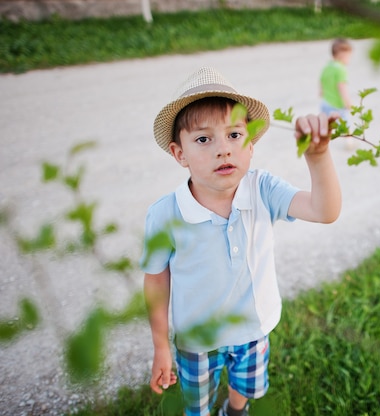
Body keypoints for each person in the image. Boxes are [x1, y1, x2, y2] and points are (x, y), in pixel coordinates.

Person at [140, 66, 341, 416]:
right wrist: (160, 346)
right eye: (204, 139)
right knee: (196, 401)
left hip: (253, 328)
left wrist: (318, 156)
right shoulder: (166, 214)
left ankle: (235, 411)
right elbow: (156, 279)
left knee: (244, 386)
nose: (224, 150)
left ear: (251, 144)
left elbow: (325, 211)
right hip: (196, 339)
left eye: (235, 135)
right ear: (179, 154)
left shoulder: (263, 189)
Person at [319, 38, 353, 121]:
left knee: (327, 129)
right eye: (349, 56)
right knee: (344, 131)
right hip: (336, 107)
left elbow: (321, 83)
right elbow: (341, 87)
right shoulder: (341, 69)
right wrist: (348, 104)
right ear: (343, 55)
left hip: (325, 103)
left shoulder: (327, 67)